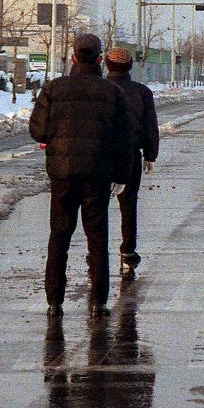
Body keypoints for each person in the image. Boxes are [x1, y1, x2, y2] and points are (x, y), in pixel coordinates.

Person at [30, 33, 133, 318]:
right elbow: (125, 139)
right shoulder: (113, 93)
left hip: (62, 175)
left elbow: (37, 131)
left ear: (73, 57)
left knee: (59, 235)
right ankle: (99, 300)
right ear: (100, 60)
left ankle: (54, 300)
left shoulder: (54, 88)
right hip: (98, 175)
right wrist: (121, 176)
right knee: (97, 237)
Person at [104, 47, 159, 278]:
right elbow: (150, 126)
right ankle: (128, 250)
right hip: (130, 155)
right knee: (128, 203)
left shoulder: (98, 89)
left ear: (107, 65)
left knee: (96, 206)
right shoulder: (141, 92)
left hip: (99, 154)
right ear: (129, 67)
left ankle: (94, 253)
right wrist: (149, 154)